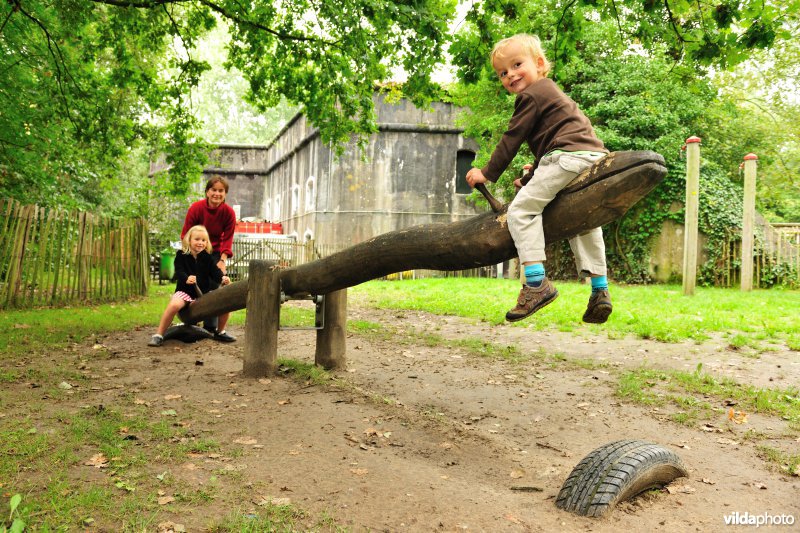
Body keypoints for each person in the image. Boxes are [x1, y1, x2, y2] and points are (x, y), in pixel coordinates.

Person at [465, 34, 612, 324]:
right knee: (583, 220)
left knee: (521, 210)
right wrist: (532, 175)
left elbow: (512, 138)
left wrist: (487, 173)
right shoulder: (550, 93)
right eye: (503, 73)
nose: (510, 75)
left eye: (517, 64)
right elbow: (556, 140)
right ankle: (600, 289)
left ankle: (536, 284)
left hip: (567, 158)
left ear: (540, 64)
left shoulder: (531, 95)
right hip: (589, 155)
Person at [149, 225, 231, 347]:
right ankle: (159, 335)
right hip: (185, 292)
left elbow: (215, 272)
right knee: (174, 304)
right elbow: (179, 271)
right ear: (189, 240)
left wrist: (222, 278)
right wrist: (186, 278)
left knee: (225, 302)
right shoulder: (181, 255)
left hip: (203, 294)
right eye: (197, 239)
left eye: (203, 240)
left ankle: (220, 331)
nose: (200, 243)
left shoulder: (207, 257)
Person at [182, 175, 237, 342]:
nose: (217, 194)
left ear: (225, 194)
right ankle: (190, 323)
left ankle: (212, 329)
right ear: (207, 192)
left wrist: (222, 260)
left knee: (216, 285)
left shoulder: (228, 213)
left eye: (221, 191)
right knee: (195, 285)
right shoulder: (196, 209)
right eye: (214, 190)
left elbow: (228, 237)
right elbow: (186, 233)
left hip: (215, 252)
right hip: (195, 250)